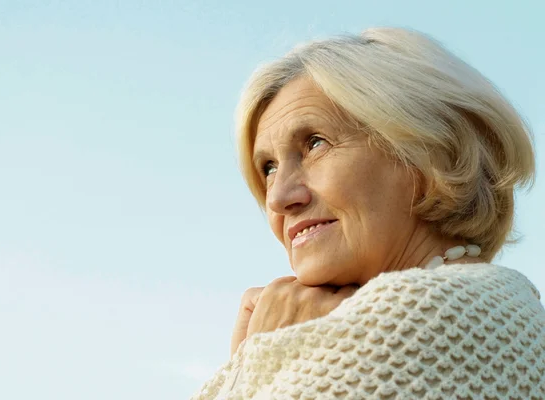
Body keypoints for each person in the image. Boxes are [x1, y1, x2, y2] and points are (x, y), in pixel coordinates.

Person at [192, 27, 545, 399]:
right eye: (269, 168)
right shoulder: (502, 307)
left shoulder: (419, 321)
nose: (278, 197)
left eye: (315, 144)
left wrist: (261, 359)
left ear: (426, 154)